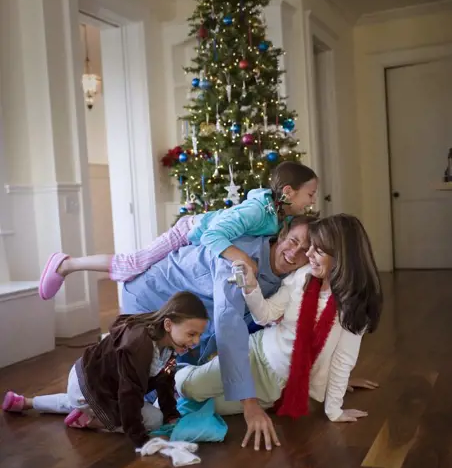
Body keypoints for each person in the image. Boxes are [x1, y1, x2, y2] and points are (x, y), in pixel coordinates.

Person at [174, 215, 383, 451]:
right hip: (256, 353)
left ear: (342, 256)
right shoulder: (302, 278)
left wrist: (334, 409)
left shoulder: (353, 307)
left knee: (211, 404)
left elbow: (343, 360)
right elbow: (264, 316)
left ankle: (211, 380)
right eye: (310, 247)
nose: (309, 255)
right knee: (188, 388)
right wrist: (251, 287)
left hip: (275, 386)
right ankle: (180, 370)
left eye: (318, 250)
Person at [120, 216, 313, 451]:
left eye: (305, 250)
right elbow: (229, 326)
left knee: (167, 390)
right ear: (281, 236)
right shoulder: (240, 258)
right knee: (138, 393)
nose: (295, 253)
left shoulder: (289, 277)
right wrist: (249, 405)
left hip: (192, 318)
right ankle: (86, 403)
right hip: (151, 298)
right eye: (293, 241)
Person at [38, 161, 317, 300]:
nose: (312, 201)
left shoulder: (278, 217)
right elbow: (211, 236)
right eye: (310, 194)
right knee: (131, 265)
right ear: (289, 192)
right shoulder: (257, 210)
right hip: (189, 231)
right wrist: (241, 258)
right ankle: (67, 264)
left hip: (199, 237)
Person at [2, 292, 208, 449]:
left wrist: (172, 413)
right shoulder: (139, 347)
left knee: (78, 400)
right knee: (153, 420)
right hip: (91, 388)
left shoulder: (169, 345)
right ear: (168, 324)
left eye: (199, 335)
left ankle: (26, 403)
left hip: (85, 381)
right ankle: (92, 421)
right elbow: (129, 395)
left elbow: (165, 380)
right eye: (192, 334)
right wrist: (143, 440)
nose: (196, 341)